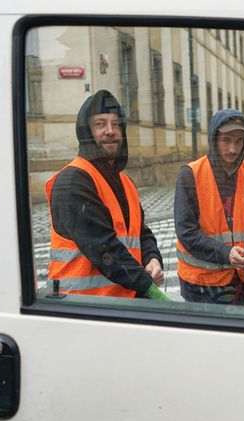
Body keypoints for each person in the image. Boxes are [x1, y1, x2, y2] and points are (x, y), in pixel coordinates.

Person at [45, 89, 169, 301]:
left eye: (115, 124)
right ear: (87, 132)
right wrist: (153, 294)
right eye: (100, 124)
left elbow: (141, 233)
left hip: (119, 304)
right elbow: (104, 249)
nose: (110, 131)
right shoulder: (73, 181)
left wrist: (153, 258)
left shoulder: (124, 181)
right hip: (80, 308)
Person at [174, 109, 244, 305]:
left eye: (239, 141)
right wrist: (226, 253)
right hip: (200, 284)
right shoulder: (190, 175)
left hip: (239, 280)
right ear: (214, 138)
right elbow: (187, 232)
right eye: (226, 140)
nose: (233, 149)